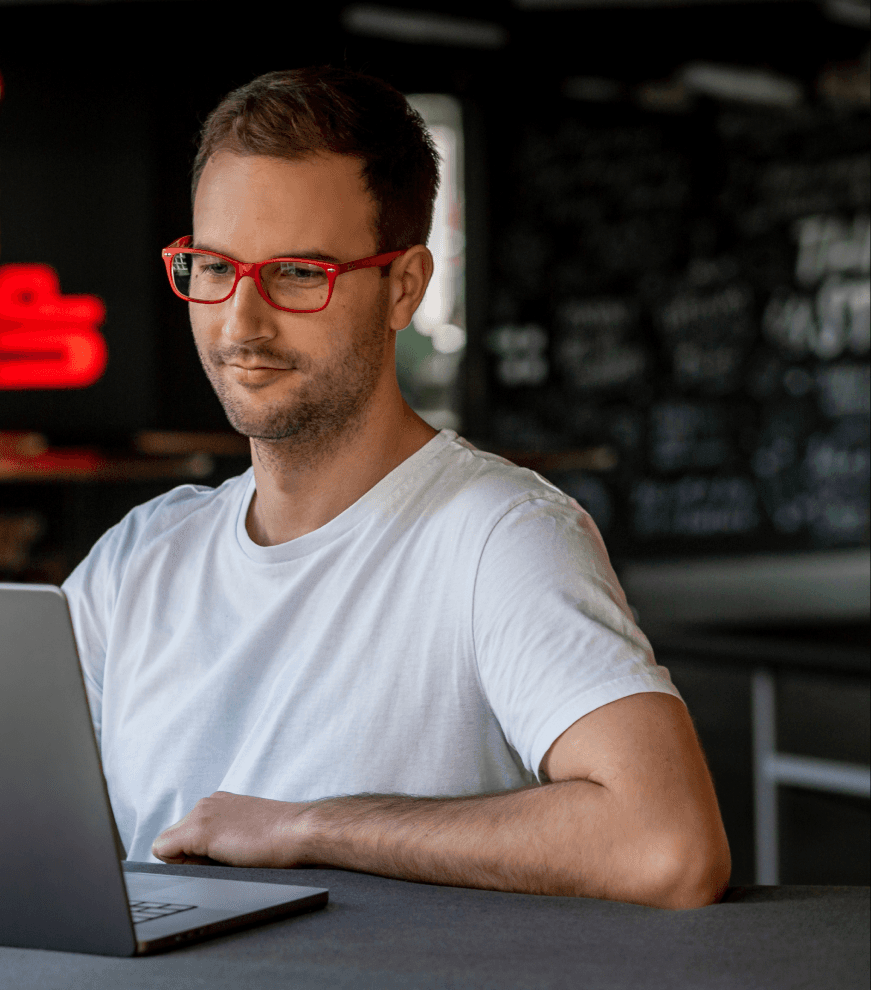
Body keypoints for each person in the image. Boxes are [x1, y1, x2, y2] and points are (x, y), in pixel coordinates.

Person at [61, 67, 730, 910]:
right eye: (213, 266)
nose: (240, 322)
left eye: (299, 273)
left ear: (404, 287)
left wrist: (312, 830)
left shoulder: (500, 537)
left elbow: (664, 845)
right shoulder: (136, 557)